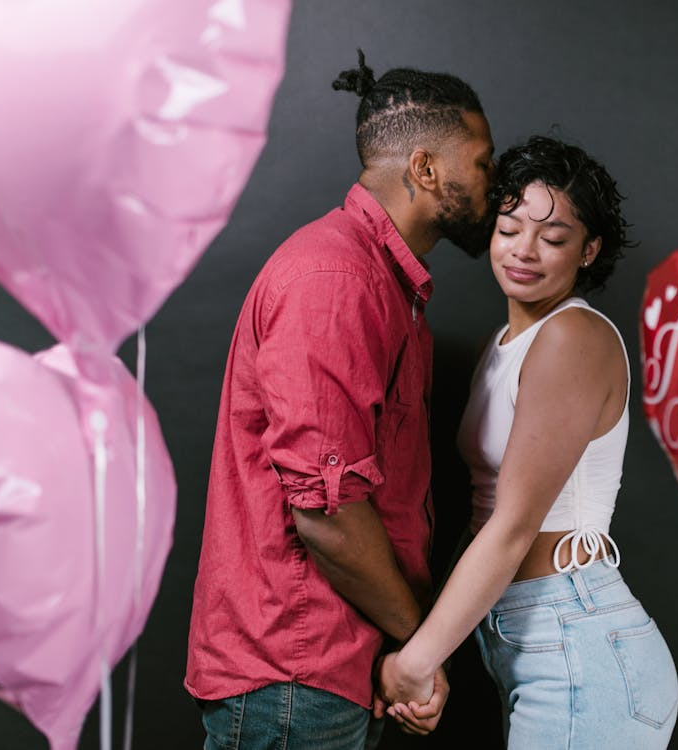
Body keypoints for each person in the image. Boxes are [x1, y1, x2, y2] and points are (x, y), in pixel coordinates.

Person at [184, 51, 495, 750]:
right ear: (424, 169)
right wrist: (418, 645)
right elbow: (326, 514)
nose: (491, 181)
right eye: (481, 162)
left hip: (330, 669)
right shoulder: (337, 280)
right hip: (296, 674)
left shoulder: (379, 282)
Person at [376, 136, 678, 748]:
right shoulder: (502, 346)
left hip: (578, 639)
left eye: (554, 238)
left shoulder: (573, 337)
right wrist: (433, 650)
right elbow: (482, 516)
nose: (524, 250)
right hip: (534, 639)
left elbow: (513, 527)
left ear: (589, 249)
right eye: (509, 229)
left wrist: (415, 662)